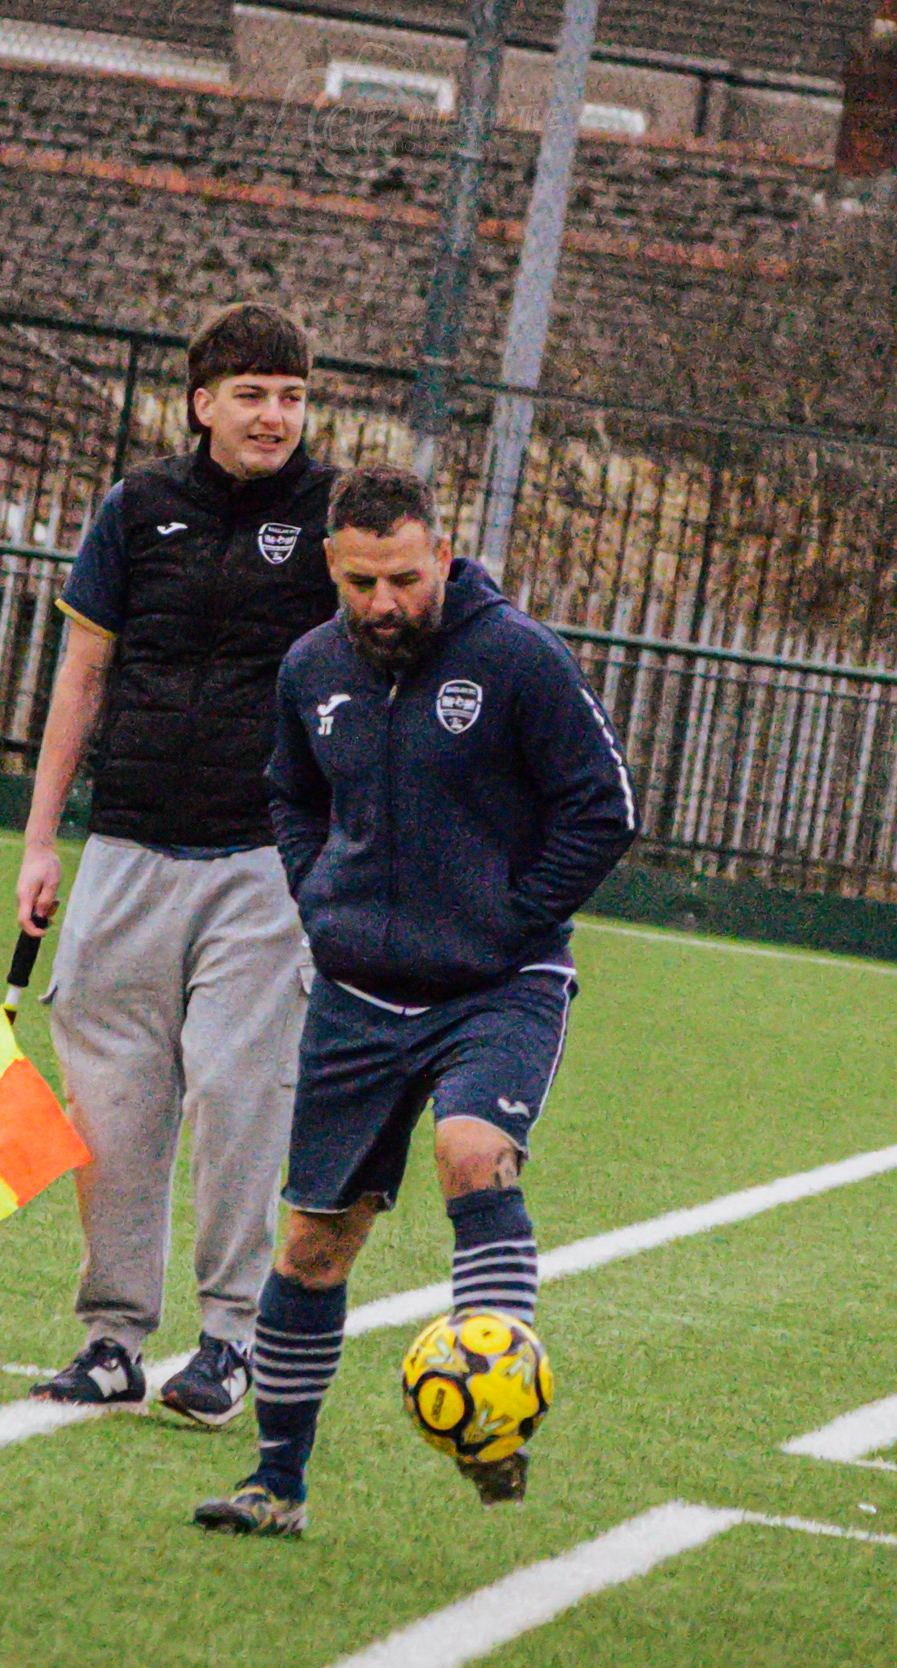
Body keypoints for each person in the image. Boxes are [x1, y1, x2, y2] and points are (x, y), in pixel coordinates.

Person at [193, 464, 638, 1537]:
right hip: (356, 990)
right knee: (310, 1247)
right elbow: (290, 797)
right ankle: (276, 1486)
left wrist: (508, 919)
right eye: (360, 582)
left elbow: (603, 806)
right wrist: (319, 898)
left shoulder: (516, 658)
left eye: (401, 576)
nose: (383, 602)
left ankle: (494, 1409)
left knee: (471, 1151)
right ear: (332, 570)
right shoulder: (311, 670)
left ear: (442, 554)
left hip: (497, 984)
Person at [16, 303, 338, 1426]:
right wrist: (41, 838)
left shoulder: (334, 518)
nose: (275, 416)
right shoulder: (136, 508)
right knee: (110, 1103)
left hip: (266, 864)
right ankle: (110, 1340)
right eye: (252, 393)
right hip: (128, 845)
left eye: (293, 395)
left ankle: (230, 1341)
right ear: (201, 402)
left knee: (244, 1097)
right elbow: (82, 677)